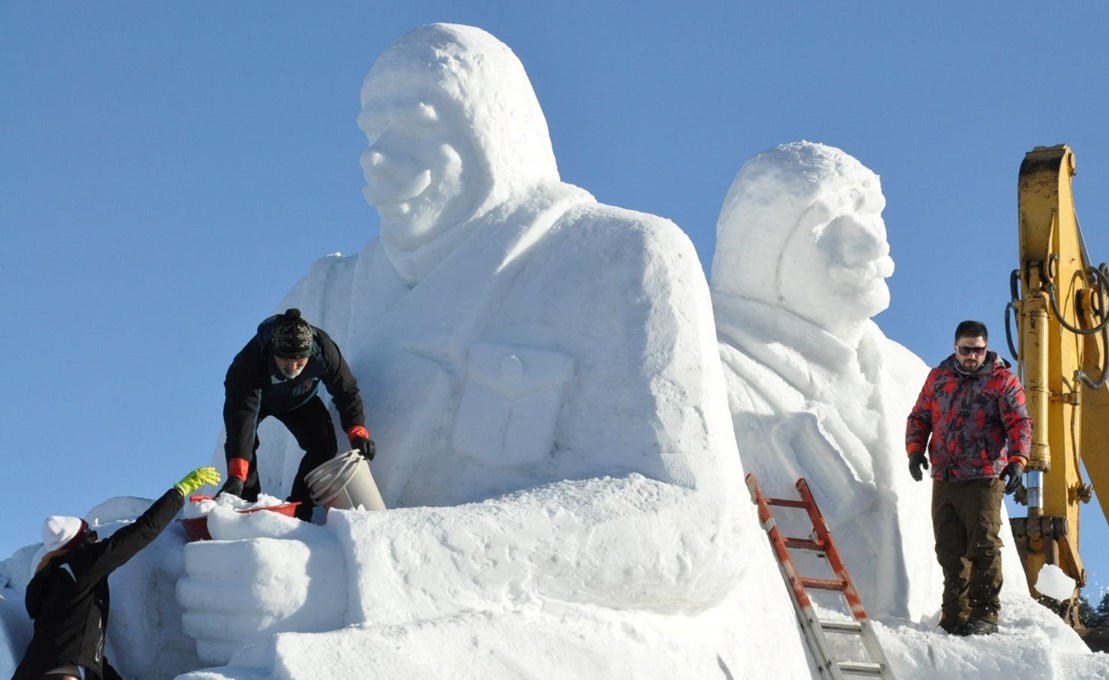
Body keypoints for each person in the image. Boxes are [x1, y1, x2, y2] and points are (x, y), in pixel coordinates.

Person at [175, 23, 789, 674]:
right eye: (371, 135)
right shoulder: (322, 296)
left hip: (527, 641)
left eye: (412, 131)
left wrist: (369, 569)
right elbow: (226, 478)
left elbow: (695, 527)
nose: (377, 160)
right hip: (267, 619)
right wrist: (137, 545)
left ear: (486, 133)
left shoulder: (618, 259)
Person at [710, 140, 939, 620]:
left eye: (872, 215)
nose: (873, 245)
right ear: (761, 251)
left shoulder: (916, 380)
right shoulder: (706, 368)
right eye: (832, 225)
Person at [11, 467, 220, 680]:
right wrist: (178, 493)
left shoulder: (50, 581)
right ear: (80, 543)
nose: (97, 540)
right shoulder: (83, 565)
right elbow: (141, 531)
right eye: (92, 536)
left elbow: (80, 645)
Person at [905, 319, 1032, 636]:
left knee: (983, 545)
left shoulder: (1001, 380)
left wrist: (1018, 460)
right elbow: (920, 415)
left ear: (985, 348)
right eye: (966, 350)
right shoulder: (939, 378)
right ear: (955, 348)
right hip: (946, 475)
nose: (972, 356)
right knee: (949, 548)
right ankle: (954, 614)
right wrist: (915, 450)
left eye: (977, 350)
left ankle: (984, 613)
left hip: (984, 475)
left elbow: (1019, 422)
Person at [219, 308, 374, 522]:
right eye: (286, 361)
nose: (293, 367)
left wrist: (358, 432)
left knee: (324, 444)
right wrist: (237, 476)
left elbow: (346, 391)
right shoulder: (250, 362)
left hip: (298, 400)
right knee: (245, 443)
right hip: (255, 401)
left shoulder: (323, 351)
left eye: (300, 362)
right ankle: (247, 503)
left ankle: (300, 510)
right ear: (273, 352)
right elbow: (242, 422)